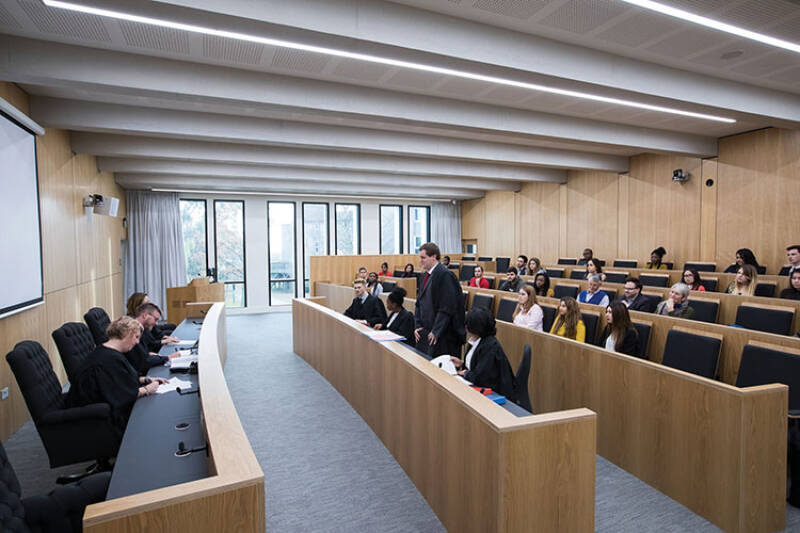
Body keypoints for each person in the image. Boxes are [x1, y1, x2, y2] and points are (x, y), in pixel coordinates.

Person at [68, 316, 167, 441]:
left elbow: (121, 379)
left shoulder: (107, 352)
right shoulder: (108, 360)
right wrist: (147, 389)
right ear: (126, 334)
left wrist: (146, 379)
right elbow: (121, 395)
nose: (137, 342)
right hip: (99, 419)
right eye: (136, 337)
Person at [449, 308, 515, 401]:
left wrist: (465, 373)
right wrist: (461, 363)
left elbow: (480, 377)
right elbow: (477, 365)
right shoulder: (476, 340)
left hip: (494, 393)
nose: (466, 327)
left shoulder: (490, 346)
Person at [414, 242, 465, 357]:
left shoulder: (445, 275)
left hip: (443, 335)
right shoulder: (425, 276)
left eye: (423, 258)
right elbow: (419, 304)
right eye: (420, 258)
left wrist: (436, 331)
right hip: (426, 331)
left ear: (434, 257)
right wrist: (417, 326)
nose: (420, 261)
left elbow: (447, 307)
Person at [125, 303, 177, 376]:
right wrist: (168, 357)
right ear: (144, 315)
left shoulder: (142, 329)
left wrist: (148, 354)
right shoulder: (133, 332)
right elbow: (143, 361)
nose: (156, 323)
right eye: (155, 319)